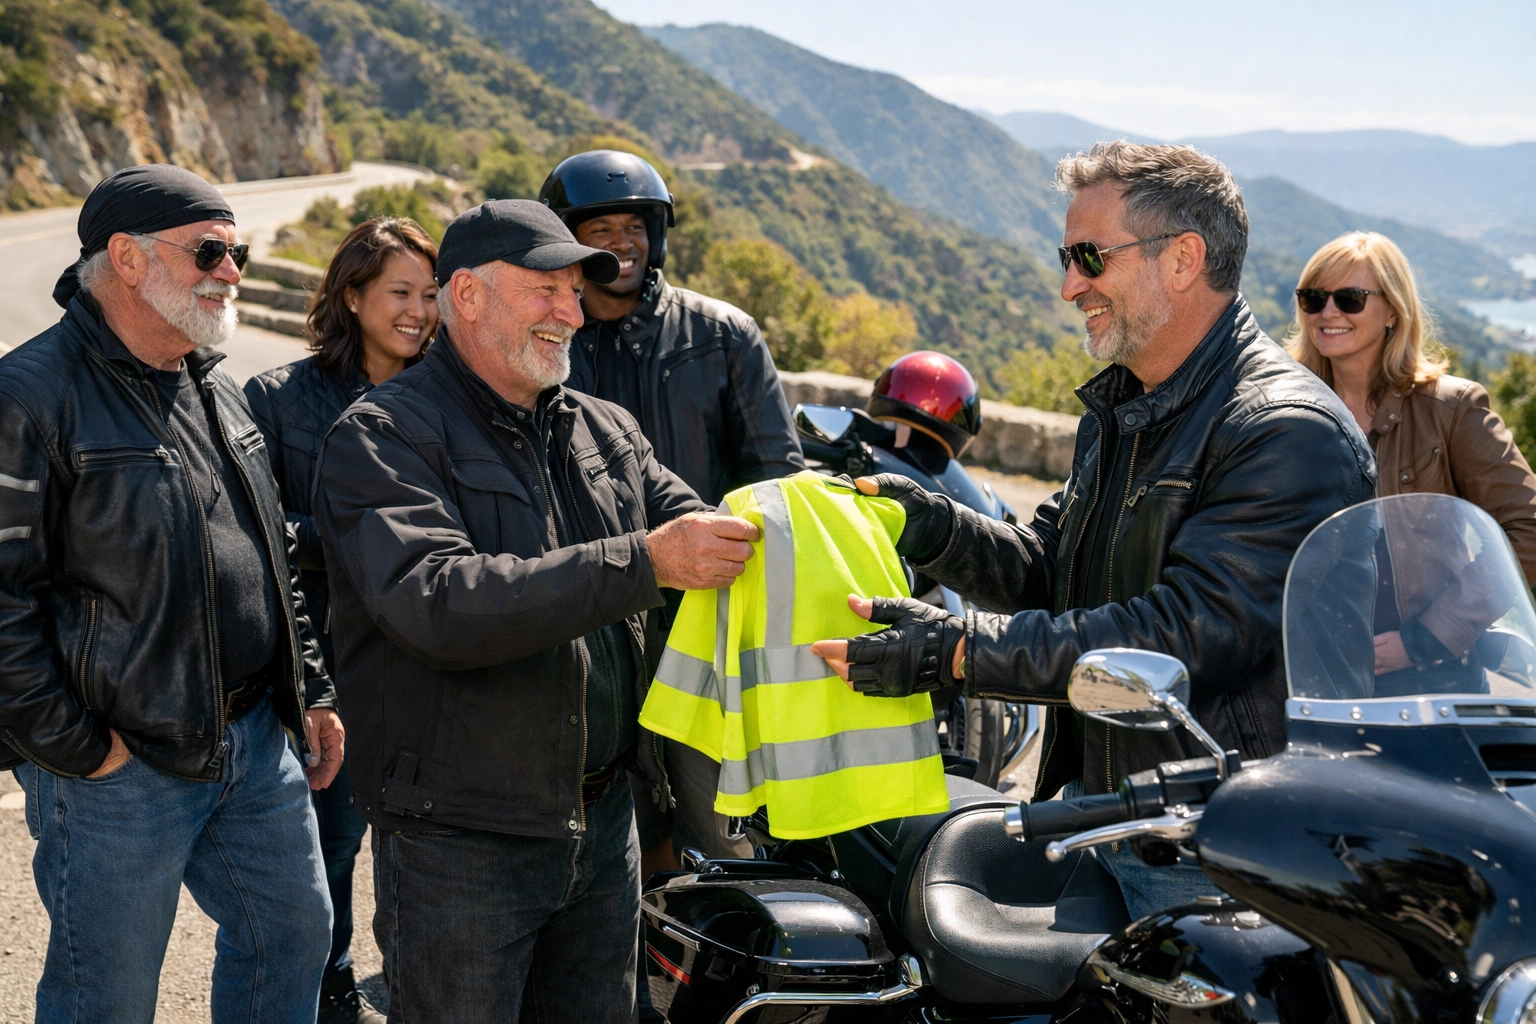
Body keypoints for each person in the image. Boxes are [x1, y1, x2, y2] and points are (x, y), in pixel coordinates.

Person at [811, 142, 1377, 920]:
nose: (1071, 284)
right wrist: (927, 521)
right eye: (1066, 256)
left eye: (1089, 257)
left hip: (1215, 853)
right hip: (1110, 814)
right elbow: (1053, 565)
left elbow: (1179, 636)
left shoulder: (1283, 431)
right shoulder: (1126, 408)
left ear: (1183, 260)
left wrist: (957, 652)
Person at [312, 199, 761, 1022]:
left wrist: (824, 521)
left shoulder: (604, 428)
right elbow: (440, 603)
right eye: (547, 290)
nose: (572, 311)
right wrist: (647, 560)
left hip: (604, 822)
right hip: (460, 840)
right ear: (471, 297)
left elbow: (713, 532)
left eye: (576, 292)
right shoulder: (381, 437)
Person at [0, 164, 341, 1023]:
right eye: (212, 252)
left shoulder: (217, 386)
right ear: (124, 257)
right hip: (120, 766)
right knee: (103, 996)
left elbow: (269, 553)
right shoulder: (28, 394)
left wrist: (312, 689)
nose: (233, 271)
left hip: (256, 742)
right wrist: (75, 748)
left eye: (240, 252)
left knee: (295, 935)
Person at [540, 150, 806, 872]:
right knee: (613, 798)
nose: (620, 242)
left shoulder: (723, 335)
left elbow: (776, 474)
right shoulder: (545, 342)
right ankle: (630, 944)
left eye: (635, 225)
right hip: (591, 604)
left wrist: (732, 555)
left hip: (707, 606)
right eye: (599, 225)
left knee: (717, 805)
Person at [245, 216, 440, 1024]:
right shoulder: (276, 397)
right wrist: (358, 540)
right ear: (352, 296)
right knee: (325, 846)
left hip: (428, 663)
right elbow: (256, 530)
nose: (419, 312)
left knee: (426, 851)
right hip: (320, 664)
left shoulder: (449, 397)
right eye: (401, 292)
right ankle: (328, 986)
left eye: (431, 294)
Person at [1286, 230, 1536, 685]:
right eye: (1314, 298)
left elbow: (1529, 526)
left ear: (1393, 312)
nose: (1328, 313)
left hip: (1433, 678)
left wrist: (1428, 638)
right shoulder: (1287, 413)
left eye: (1350, 298)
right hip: (1314, 674)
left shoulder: (1452, 408)